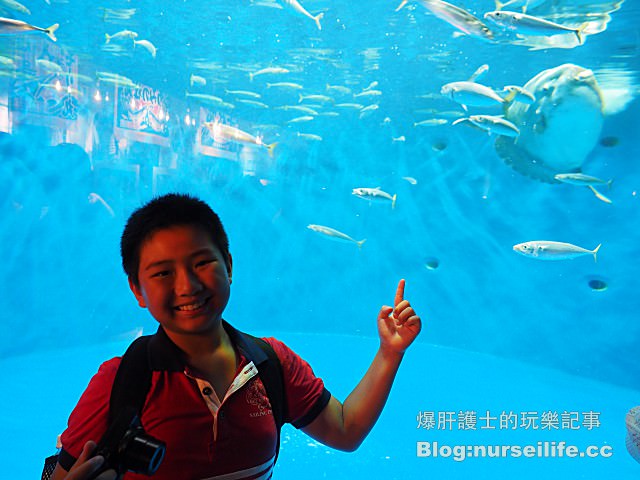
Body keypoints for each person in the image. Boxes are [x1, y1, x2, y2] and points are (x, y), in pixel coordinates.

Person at [50, 193, 422, 480]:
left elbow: (345, 430)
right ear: (137, 290)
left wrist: (389, 353)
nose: (188, 286)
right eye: (163, 273)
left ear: (228, 265)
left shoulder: (272, 363)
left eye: (202, 263)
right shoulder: (122, 381)